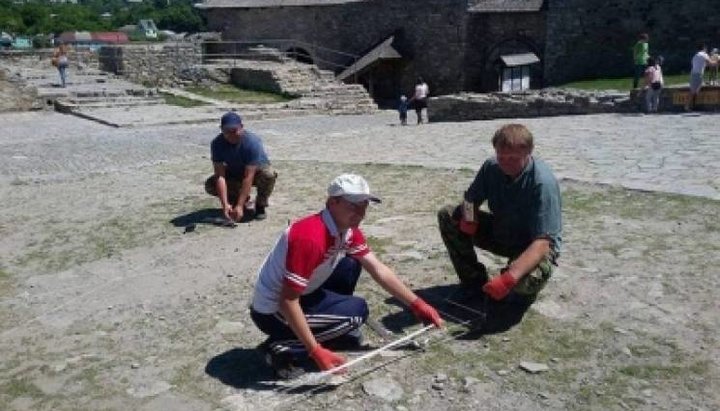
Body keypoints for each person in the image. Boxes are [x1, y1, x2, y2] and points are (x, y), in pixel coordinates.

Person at [250, 173, 443, 378]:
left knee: (351, 264)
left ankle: (327, 327)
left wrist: (417, 304)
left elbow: (378, 269)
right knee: (356, 314)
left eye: (364, 206)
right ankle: (280, 346)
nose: (361, 213)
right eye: (353, 206)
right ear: (332, 202)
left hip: (302, 294)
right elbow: (287, 299)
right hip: (272, 312)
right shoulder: (310, 237)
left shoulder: (346, 229)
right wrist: (315, 351)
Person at [437, 124, 562, 313]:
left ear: (528, 152)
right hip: (503, 231)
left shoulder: (542, 183)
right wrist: (469, 218)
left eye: (513, 158)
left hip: (532, 245)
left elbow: (543, 242)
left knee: (520, 285)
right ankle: (473, 282)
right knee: (448, 215)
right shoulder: (491, 167)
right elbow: (471, 199)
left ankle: (521, 289)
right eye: (501, 156)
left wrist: (509, 278)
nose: (505, 163)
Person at [204, 111, 277, 222]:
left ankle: (260, 204)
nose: (231, 135)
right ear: (221, 129)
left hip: (256, 172)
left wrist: (239, 205)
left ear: (241, 127)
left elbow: (248, 177)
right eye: (226, 131)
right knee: (211, 185)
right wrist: (225, 204)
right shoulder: (217, 144)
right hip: (235, 172)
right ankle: (238, 202)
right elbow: (220, 176)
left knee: (269, 174)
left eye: (234, 130)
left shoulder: (252, 142)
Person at [685, 43, 718, 111]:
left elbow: (700, 64)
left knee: (695, 91)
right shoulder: (704, 55)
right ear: (703, 48)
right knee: (693, 92)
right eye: (706, 48)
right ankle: (687, 106)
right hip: (697, 75)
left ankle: (691, 106)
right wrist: (718, 61)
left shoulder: (695, 55)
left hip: (694, 74)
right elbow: (711, 64)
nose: (706, 50)